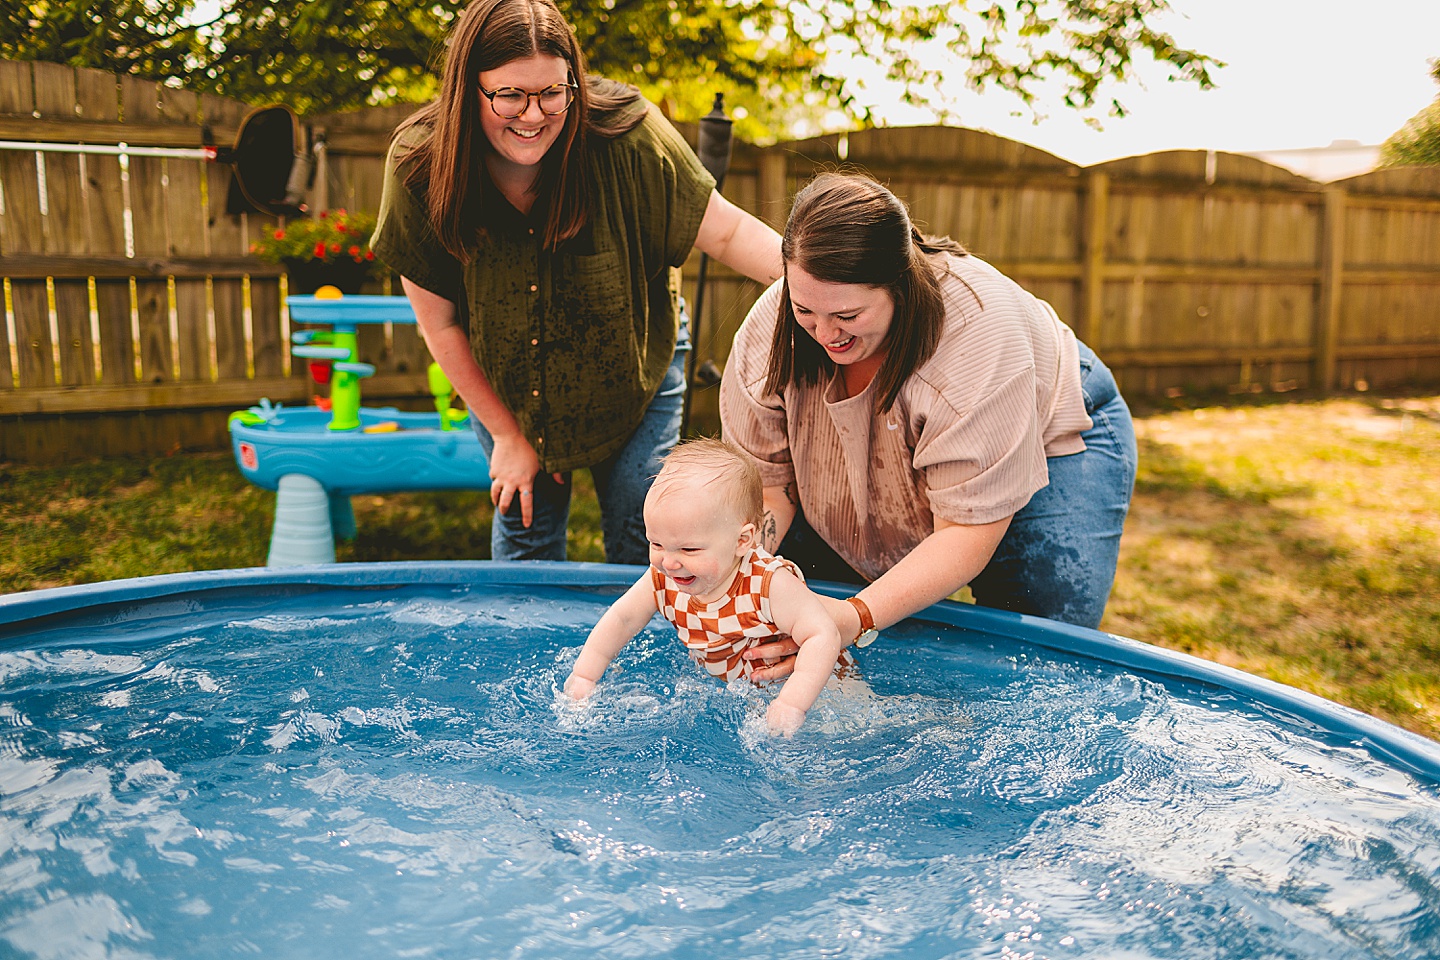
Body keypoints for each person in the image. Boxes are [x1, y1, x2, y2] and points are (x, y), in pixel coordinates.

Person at [371, 0, 782, 564]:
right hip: (509, 392)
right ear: (469, 88)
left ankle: (647, 650)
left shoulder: (628, 138)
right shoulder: (420, 164)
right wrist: (509, 437)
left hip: (634, 370)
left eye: (552, 92)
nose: (534, 115)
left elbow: (731, 232)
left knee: (648, 535)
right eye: (509, 95)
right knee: (525, 540)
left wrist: (822, 278)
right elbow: (439, 324)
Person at [720, 172, 1138, 675]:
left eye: (847, 316)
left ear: (900, 284)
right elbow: (768, 491)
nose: (824, 334)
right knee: (808, 630)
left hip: (1061, 435)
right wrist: (730, 577)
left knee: (1033, 660)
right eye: (804, 309)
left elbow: (966, 530)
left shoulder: (975, 343)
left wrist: (852, 616)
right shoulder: (770, 337)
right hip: (875, 447)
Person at [563, 438, 847, 736]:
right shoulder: (664, 577)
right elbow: (622, 619)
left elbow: (822, 634)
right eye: (656, 543)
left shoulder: (767, 585)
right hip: (745, 693)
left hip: (820, 687)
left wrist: (791, 704)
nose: (669, 562)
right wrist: (585, 675)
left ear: (741, 541)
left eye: (689, 550)